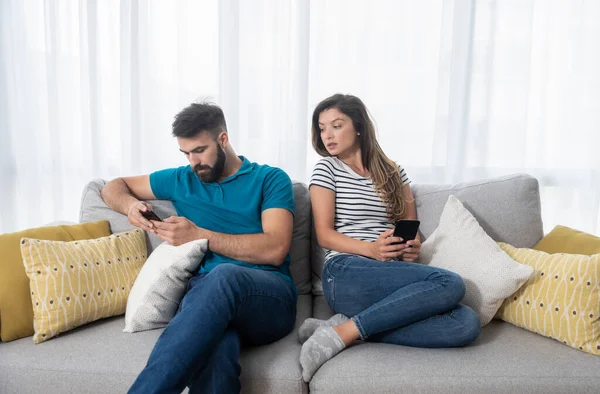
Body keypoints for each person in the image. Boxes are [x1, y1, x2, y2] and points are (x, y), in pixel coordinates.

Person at [101, 102, 297, 394]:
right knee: (215, 350)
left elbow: (275, 248)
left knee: (224, 276)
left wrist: (198, 234)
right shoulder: (181, 179)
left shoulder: (270, 179)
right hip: (207, 302)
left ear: (223, 139)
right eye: (186, 153)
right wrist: (129, 205)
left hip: (269, 297)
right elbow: (111, 186)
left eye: (199, 150)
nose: (193, 161)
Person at [299, 94, 481, 382]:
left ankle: (344, 329)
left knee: (466, 323)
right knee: (450, 282)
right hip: (346, 271)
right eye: (322, 128)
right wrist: (371, 250)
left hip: (389, 273)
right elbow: (324, 235)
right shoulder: (327, 169)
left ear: (358, 126)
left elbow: (408, 224)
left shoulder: (394, 172)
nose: (327, 135)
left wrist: (412, 246)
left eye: (336, 125)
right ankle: (346, 332)